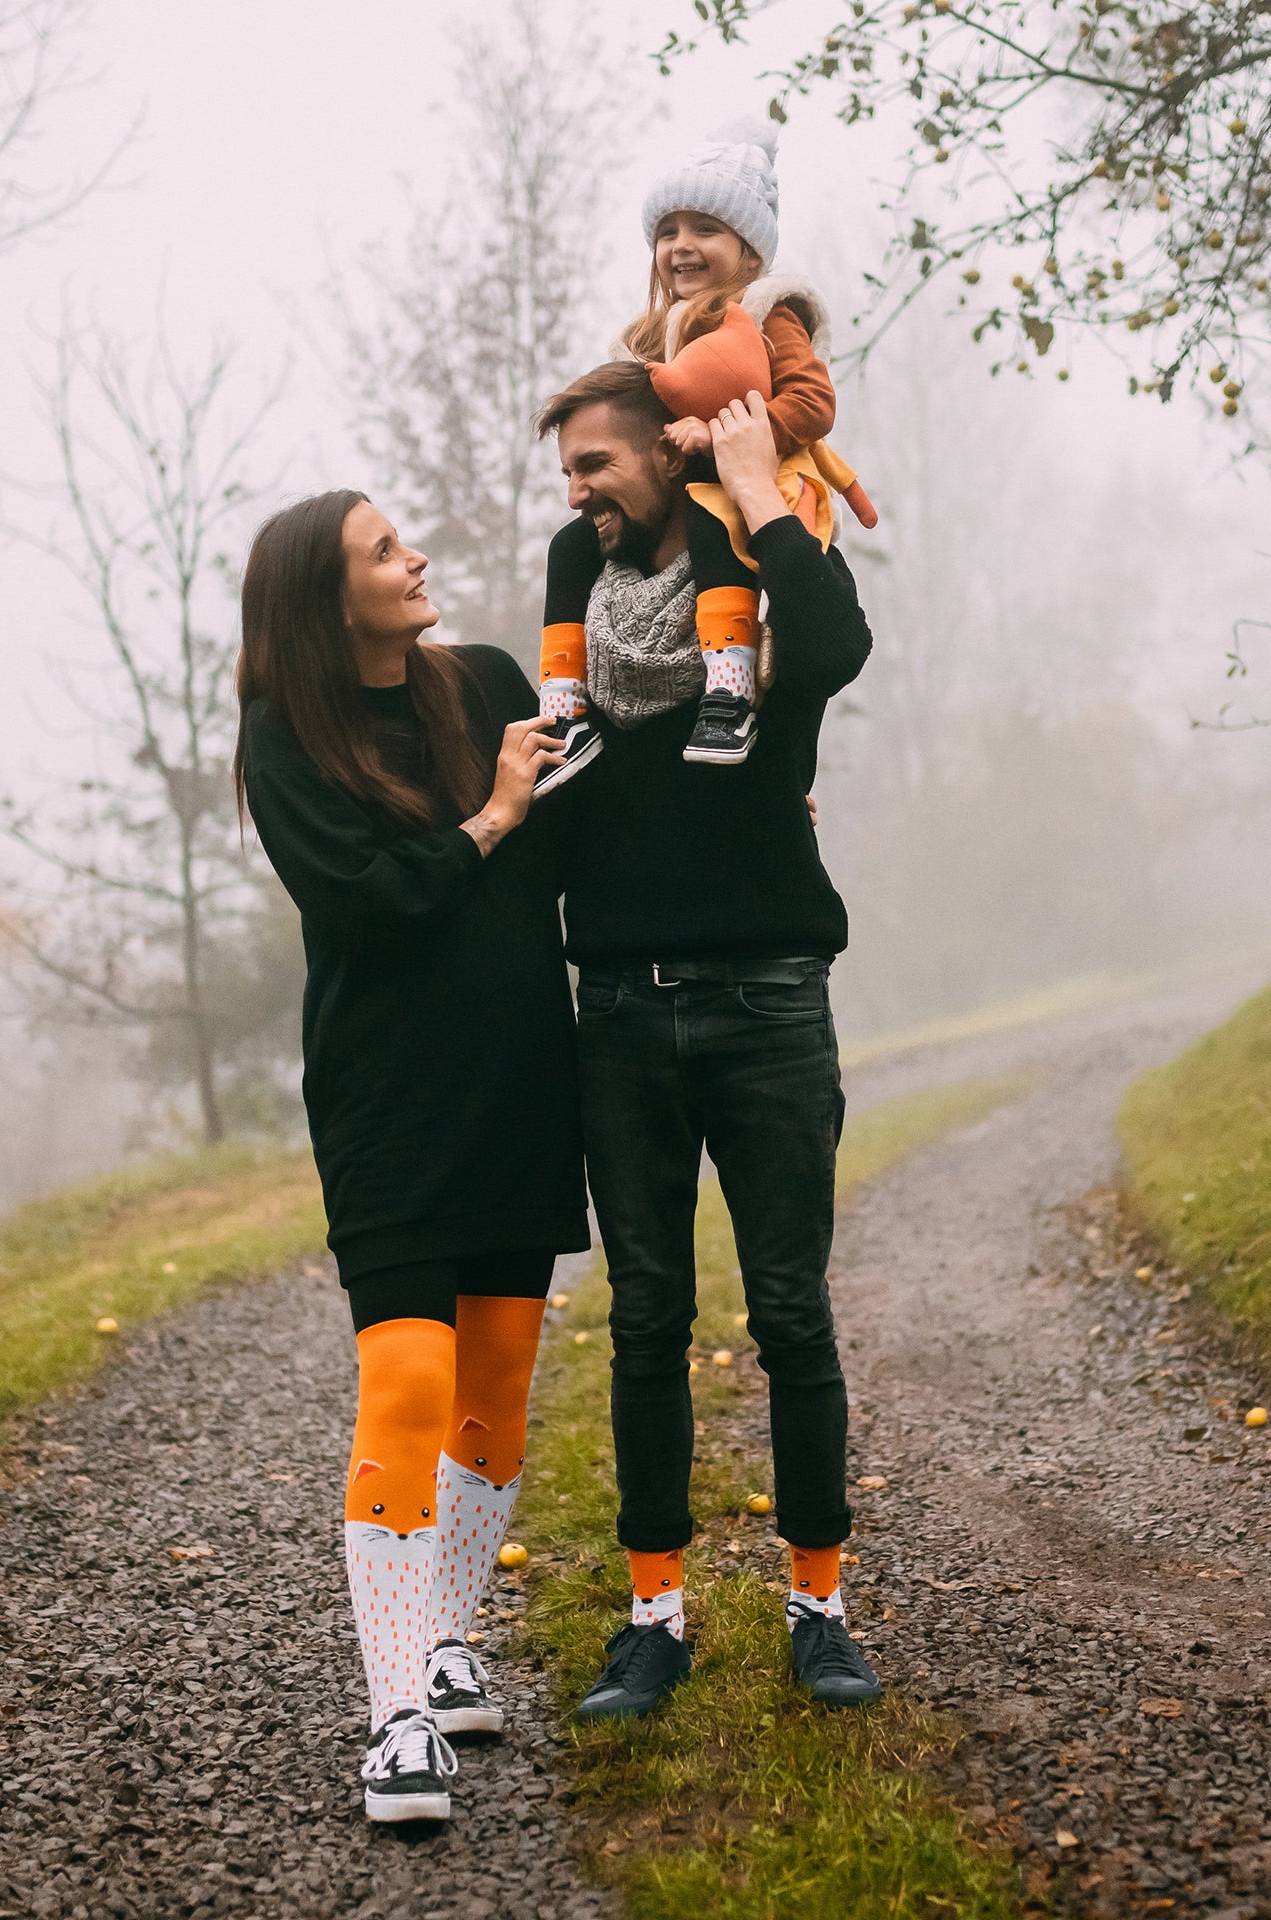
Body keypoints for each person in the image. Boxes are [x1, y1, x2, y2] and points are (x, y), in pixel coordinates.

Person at [232, 491, 589, 1823]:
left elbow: (567, 853)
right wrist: (493, 814)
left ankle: (444, 1639)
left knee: (495, 1390)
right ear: (329, 605)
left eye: (403, 540)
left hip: (518, 1085)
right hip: (388, 1106)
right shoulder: (287, 744)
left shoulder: (487, 684)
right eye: (384, 552)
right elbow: (376, 909)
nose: (416, 558)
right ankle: (397, 1724)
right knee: (409, 1381)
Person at [535, 367, 883, 1718]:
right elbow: (568, 763)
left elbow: (842, 650)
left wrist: (756, 495)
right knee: (647, 1324)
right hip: (619, 1011)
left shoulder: (761, 572)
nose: (576, 493)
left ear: (666, 461)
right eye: (568, 468)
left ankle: (819, 1609)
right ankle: (656, 1621)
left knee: (790, 1313)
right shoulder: (583, 572)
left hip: (766, 1005)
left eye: (595, 465)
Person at [533, 116, 876, 788]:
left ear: (751, 251)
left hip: (752, 488)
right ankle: (564, 709)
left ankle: (729, 686)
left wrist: (734, 442)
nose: (681, 247)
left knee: (715, 519)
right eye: (667, 232)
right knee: (568, 548)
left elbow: (814, 405)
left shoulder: (770, 313)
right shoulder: (652, 334)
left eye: (705, 230)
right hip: (685, 491)